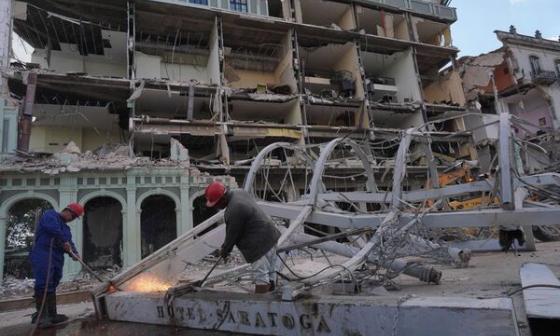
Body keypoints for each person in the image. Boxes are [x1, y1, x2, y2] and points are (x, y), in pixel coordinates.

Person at [205, 181, 281, 293]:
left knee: (261, 276)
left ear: (223, 198)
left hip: (257, 245)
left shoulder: (234, 210)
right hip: (270, 235)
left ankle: (260, 305)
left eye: (217, 204)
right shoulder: (239, 192)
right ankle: (272, 295)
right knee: (271, 272)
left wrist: (225, 251)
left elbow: (232, 236)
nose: (216, 206)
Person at [29, 203, 84, 328]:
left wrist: (75, 254)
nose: (73, 219)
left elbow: (69, 243)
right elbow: (53, 228)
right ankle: (42, 317)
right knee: (44, 282)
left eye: (75, 217)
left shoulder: (66, 228)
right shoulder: (50, 215)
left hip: (56, 257)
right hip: (44, 253)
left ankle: (52, 315)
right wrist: (64, 241)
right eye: (74, 216)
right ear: (67, 211)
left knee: (53, 282)